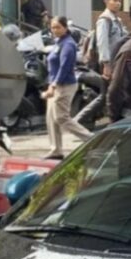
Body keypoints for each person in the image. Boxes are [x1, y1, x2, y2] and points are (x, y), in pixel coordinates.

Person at [42, 16, 92, 159]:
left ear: (65, 28)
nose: (55, 30)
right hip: (55, 84)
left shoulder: (68, 44)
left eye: (58, 27)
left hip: (64, 85)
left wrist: (53, 85)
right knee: (51, 118)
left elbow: (64, 67)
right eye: (53, 27)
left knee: (61, 117)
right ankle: (56, 150)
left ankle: (91, 139)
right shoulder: (58, 42)